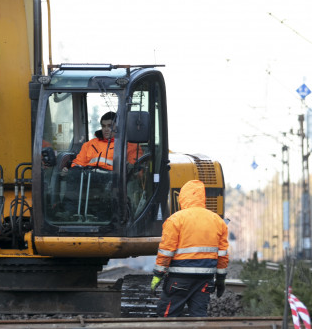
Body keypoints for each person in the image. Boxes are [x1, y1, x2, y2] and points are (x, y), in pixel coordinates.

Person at [152, 179, 229, 317]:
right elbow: (223, 255)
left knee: (167, 317)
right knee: (199, 317)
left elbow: (166, 251)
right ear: (202, 198)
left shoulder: (176, 219)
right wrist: (221, 279)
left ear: (182, 198)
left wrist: (158, 274)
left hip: (179, 278)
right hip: (205, 280)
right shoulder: (217, 221)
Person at [70, 112, 139, 170]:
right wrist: (70, 171)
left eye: (110, 126)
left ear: (119, 126)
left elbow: (134, 172)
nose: (106, 129)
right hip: (90, 181)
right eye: (103, 126)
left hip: (115, 183)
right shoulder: (90, 144)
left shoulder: (130, 146)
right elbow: (78, 164)